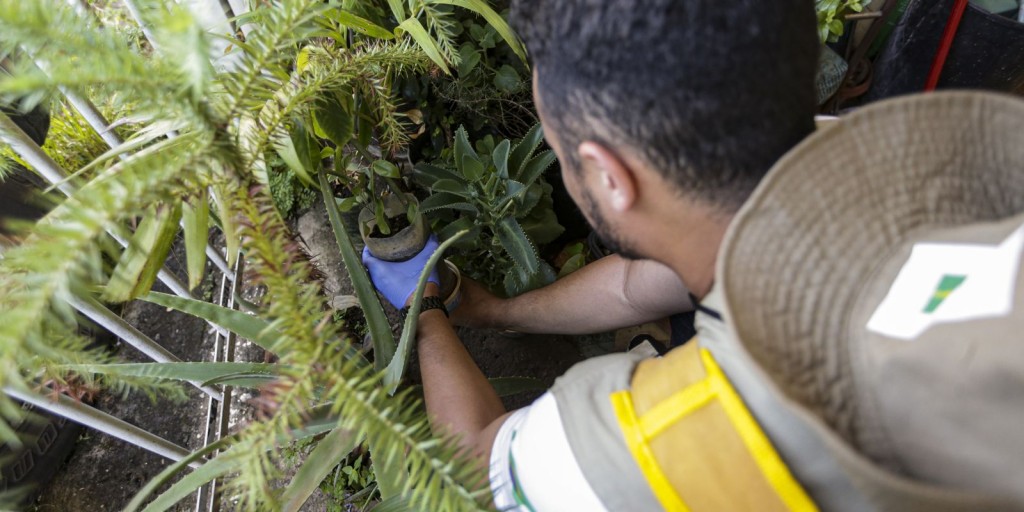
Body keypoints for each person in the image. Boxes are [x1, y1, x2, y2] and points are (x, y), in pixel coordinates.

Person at [363, 1, 1024, 510]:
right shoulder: (884, 155)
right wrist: (494, 311)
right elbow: (637, 286)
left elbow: (475, 466)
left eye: (562, 155)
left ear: (609, 176)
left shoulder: (708, 423)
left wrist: (426, 314)